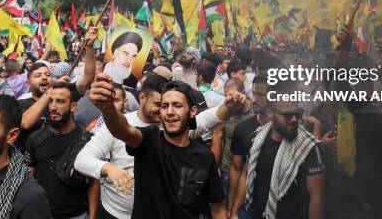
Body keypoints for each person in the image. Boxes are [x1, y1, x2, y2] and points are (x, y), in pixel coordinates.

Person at [76, 73, 246, 219]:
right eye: (162, 105)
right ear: (142, 97)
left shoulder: (196, 148)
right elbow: (121, 129)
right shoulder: (147, 138)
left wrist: (228, 106)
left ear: (191, 111)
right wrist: (108, 109)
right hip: (116, 213)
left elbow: (207, 118)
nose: (168, 112)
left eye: (176, 106)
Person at [236, 84, 325, 219]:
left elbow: (316, 198)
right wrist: (234, 212)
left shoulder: (309, 148)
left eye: (297, 114)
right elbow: (245, 175)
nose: (294, 120)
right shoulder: (257, 139)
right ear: (271, 113)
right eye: (288, 116)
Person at [25, 82, 99, 219]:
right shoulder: (35, 138)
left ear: (73, 106)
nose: (53, 107)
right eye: (51, 101)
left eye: (60, 102)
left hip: (76, 214)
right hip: (42, 213)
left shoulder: (88, 140)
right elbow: (29, 178)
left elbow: (94, 182)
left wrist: (93, 216)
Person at [228, 75, 271, 218]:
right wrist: (231, 210)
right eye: (253, 93)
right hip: (250, 205)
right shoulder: (243, 129)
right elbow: (237, 169)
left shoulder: (286, 128)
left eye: (260, 95)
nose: (254, 99)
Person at [213, 78, 254, 198]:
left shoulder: (255, 111)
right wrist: (217, 167)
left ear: (243, 92)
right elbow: (218, 138)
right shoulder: (225, 111)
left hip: (250, 170)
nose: (232, 99)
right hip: (228, 167)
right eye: (227, 95)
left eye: (235, 94)